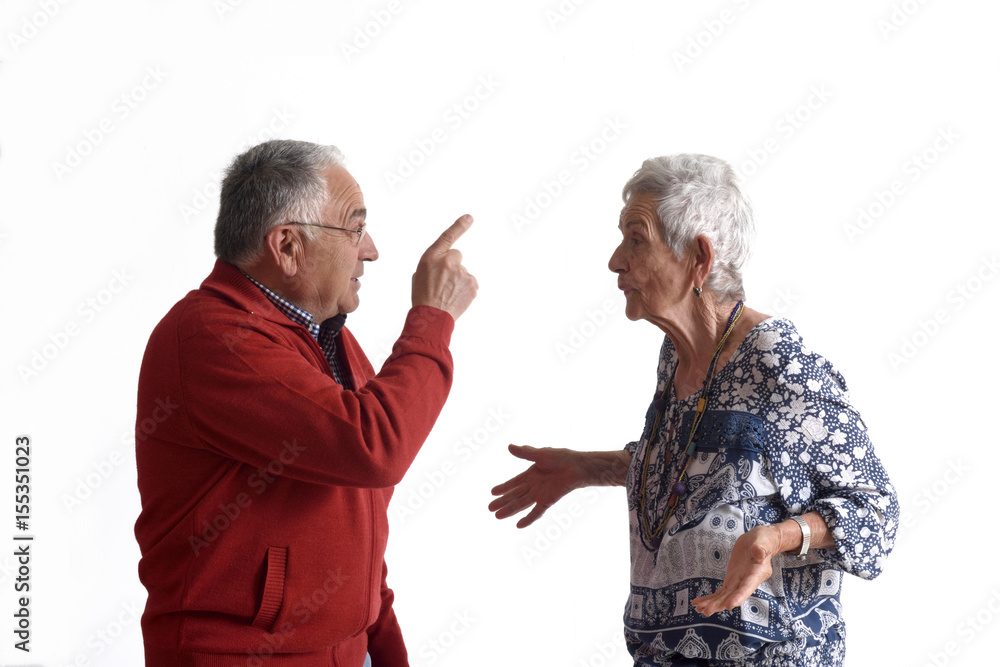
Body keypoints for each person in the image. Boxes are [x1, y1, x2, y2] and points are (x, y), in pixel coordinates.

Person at [489, 154, 898, 666]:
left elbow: (876, 513)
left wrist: (776, 538)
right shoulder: (678, 356)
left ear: (699, 258)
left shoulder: (779, 364)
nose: (615, 261)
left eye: (636, 240)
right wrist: (585, 467)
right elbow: (694, 470)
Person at [134, 139, 477, 667]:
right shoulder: (211, 337)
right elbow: (374, 446)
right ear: (288, 246)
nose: (371, 250)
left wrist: (383, 645)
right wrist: (433, 318)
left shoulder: (328, 336)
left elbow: (360, 516)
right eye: (355, 229)